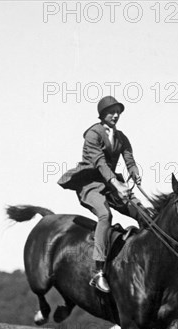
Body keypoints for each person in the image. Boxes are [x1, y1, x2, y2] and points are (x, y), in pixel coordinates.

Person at [58, 96, 152, 293]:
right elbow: (100, 163)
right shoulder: (93, 134)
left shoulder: (121, 137)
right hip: (91, 183)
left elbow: (128, 157)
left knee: (143, 213)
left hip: (111, 183)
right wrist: (117, 184)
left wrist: (134, 171)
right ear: (102, 115)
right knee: (105, 215)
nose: (116, 115)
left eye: (118, 112)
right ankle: (99, 271)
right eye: (111, 112)